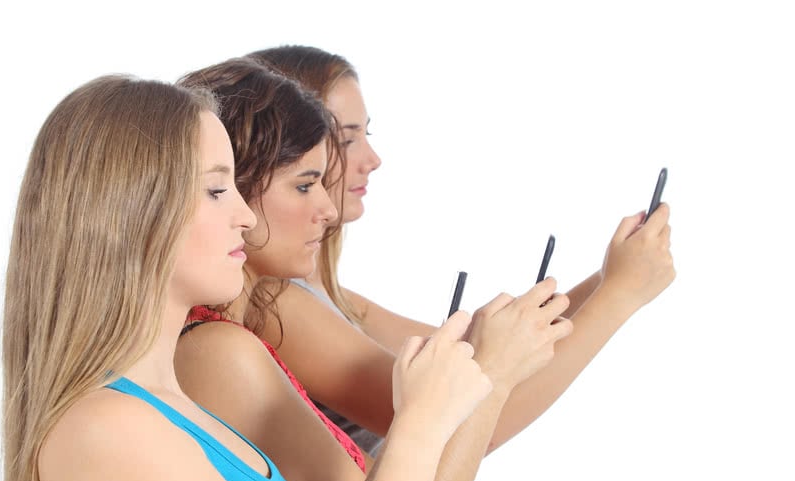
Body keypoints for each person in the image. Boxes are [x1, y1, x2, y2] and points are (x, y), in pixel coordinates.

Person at [0, 74, 499, 481]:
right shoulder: (108, 430)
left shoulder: (173, 412)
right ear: (133, 212)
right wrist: (419, 429)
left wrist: (422, 414)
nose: (245, 217)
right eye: (216, 190)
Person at [174, 58, 573, 481]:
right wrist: (490, 381)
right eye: (304, 184)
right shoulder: (220, 348)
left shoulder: (238, 329)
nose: (330, 209)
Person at [247, 45, 677, 455]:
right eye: (347, 140)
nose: (372, 158)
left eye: (367, 135)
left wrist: (609, 277)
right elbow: (467, 417)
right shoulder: (278, 305)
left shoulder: (331, 298)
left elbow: (479, 355)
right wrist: (620, 296)